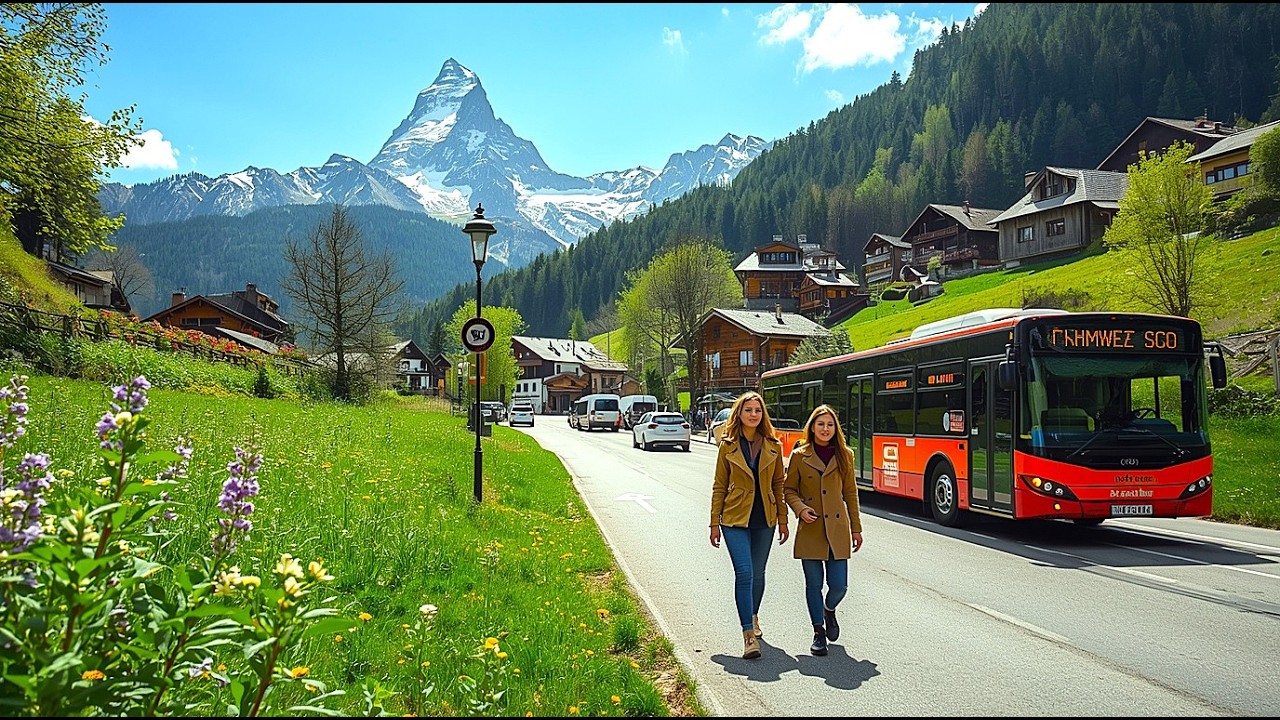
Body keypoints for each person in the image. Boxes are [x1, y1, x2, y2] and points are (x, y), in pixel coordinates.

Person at [708, 391, 790, 660]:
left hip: (764, 518)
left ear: (762, 414)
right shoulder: (727, 446)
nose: (753, 414)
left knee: (759, 573)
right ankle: (747, 635)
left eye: (757, 410)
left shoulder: (773, 446)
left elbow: (779, 484)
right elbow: (719, 485)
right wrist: (713, 523)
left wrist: (782, 519)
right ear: (739, 414)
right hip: (734, 518)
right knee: (744, 573)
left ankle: (753, 615)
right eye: (748, 410)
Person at [783, 404, 864, 657]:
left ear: (835, 428)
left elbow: (850, 493)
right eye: (821, 424)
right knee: (813, 584)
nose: (825, 429)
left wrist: (856, 528)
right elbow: (789, 490)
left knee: (839, 586)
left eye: (830, 425)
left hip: (838, 528)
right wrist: (800, 509)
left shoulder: (845, 455)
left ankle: (829, 610)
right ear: (812, 427)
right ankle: (818, 632)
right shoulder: (800, 455)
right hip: (811, 527)